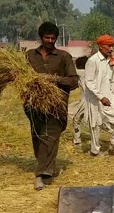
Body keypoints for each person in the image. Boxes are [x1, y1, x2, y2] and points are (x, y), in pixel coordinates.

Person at [25, 22, 79, 190]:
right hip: (33, 104)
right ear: (41, 37)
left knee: (50, 137)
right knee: (38, 136)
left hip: (57, 105)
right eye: (47, 37)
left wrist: (53, 79)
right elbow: (21, 76)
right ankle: (46, 165)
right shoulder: (29, 55)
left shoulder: (64, 57)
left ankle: (41, 174)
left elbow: (74, 81)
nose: (50, 40)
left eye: (53, 38)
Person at [83, 35, 114, 156]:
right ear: (100, 46)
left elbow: (113, 80)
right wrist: (101, 97)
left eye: (112, 45)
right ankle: (95, 151)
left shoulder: (110, 61)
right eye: (109, 46)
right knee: (95, 125)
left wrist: (113, 95)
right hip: (95, 98)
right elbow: (89, 82)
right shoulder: (93, 61)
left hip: (109, 97)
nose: (111, 48)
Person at [69, 56, 89, 146]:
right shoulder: (91, 73)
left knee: (76, 119)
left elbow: (70, 72)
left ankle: (77, 141)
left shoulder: (81, 72)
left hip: (86, 100)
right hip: (92, 99)